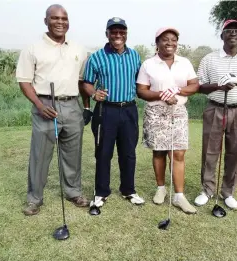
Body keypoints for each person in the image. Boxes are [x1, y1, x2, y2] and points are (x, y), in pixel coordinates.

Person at [16, 4, 89, 216]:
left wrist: (86, 107)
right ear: (46, 20)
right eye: (55, 18)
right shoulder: (33, 48)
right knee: (41, 155)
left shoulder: (78, 48)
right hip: (45, 105)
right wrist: (39, 105)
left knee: (72, 154)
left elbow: (83, 81)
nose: (60, 22)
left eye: (64, 18)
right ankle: (34, 199)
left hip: (72, 105)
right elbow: (24, 82)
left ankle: (73, 191)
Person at [194, 20, 237, 210]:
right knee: (210, 151)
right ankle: (207, 190)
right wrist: (219, 85)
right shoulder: (209, 59)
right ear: (222, 35)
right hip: (214, 108)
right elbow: (199, 87)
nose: (233, 33)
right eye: (228, 30)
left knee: (235, 152)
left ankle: (228, 192)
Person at [82, 17, 145, 211]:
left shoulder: (134, 56)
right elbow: (86, 83)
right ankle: (101, 192)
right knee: (103, 153)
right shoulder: (96, 57)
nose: (118, 35)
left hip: (129, 109)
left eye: (121, 32)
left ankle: (128, 189)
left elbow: (140, 81)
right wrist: (94, 93)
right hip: (105, 110)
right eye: (114, 32)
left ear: (126, 34)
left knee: (128, 152)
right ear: (107, 34)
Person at [137, 27, 199, 214]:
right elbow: (141, 91)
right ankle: (161, 188)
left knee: (178, 153)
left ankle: (179, 196)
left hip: (178, 111)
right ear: (157, 43)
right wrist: (162, 95)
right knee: (159, 152)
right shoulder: (149, 64)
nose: (169, 43)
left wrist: (177, 90)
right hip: (156, 112)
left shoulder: (185, 62)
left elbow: (194, 85)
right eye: (165, 39)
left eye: (173, 39)